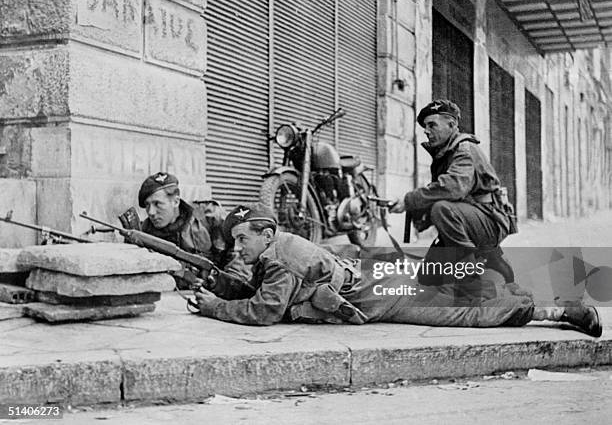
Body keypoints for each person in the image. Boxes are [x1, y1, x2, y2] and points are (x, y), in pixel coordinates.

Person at [194, 203, 602, 338]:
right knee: (460, 295)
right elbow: (264, 293)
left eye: (243, 238)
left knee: (462, 312)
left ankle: (563, 311)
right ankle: (535, 298)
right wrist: (223, 287)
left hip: (377, 295)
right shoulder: (280, 248)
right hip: (372, 280)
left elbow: (264, 311)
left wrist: (215, 306)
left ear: (265, 234)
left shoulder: (280, 259)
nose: (237, 246)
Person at [389, 99, 518, 294]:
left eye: (432, 125)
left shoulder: (463, 150)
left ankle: (471, 279)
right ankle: (492, 259)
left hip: (491, 221)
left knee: (441, 209)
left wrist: (409, 200)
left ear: (452, 125)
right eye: (425, 126)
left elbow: (453, 188)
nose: (426, 130)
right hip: (475, 218)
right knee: (428, 278)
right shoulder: (447, 152)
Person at [129, 172, 251, 293]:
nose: (151, 212)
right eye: (147, 205)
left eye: (157, 204)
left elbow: (240, 253)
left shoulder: (208, 217)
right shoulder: (144, 233)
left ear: (176, 202)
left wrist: (221, 287)